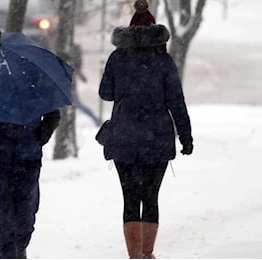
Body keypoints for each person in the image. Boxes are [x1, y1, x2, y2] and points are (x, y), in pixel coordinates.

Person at [98, 0, 193, 258]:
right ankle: (147, 253)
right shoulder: (163, 61)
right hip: (157, 140)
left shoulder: (117, 58)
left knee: (130, 198)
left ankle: (134, 254)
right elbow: (176, 101)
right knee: (150, 197)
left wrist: (125, 86)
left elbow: (105, 93)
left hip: (124, 138)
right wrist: (186, 137)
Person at [0, 109, 61, 259]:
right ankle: (9, 254)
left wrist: (40, 135)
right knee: (3, 217)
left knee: (26, 218)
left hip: (28, 160)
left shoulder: (37, 86)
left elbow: (53, 115)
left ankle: (19, 250)